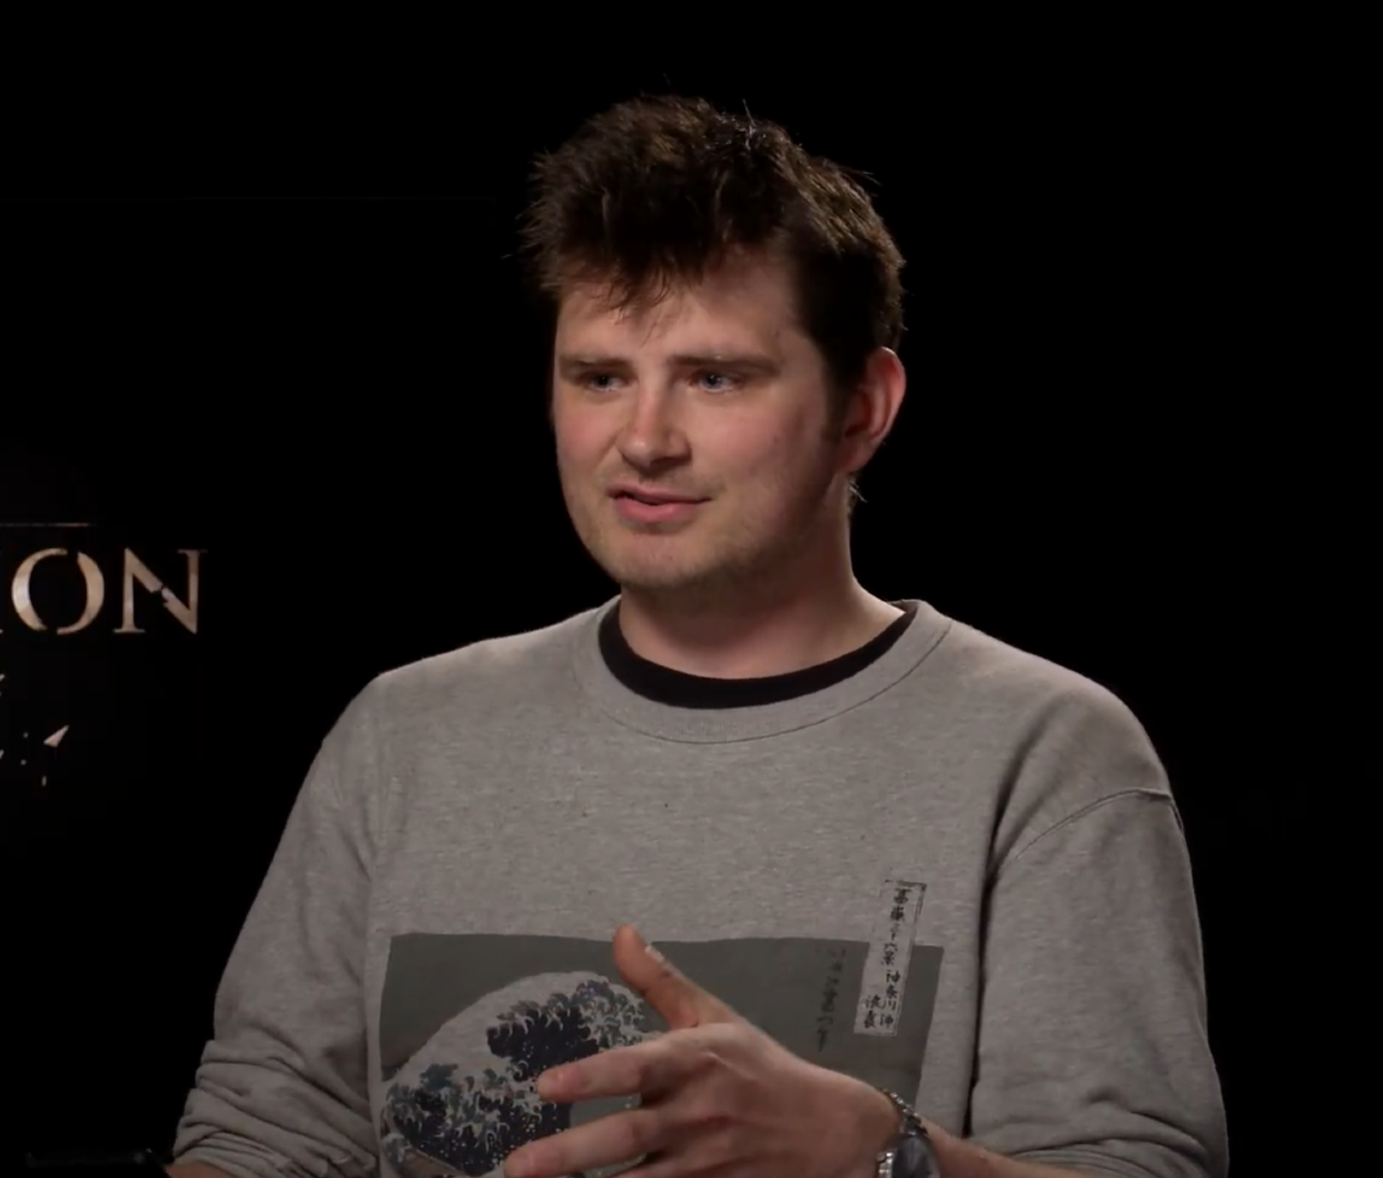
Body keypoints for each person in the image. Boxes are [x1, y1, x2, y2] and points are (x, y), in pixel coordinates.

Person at [168, 96, 1227, 1178]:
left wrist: (881, 1154)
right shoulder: (404, 735)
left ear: (862, 408)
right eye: (601, 378)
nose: (643, 441)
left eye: (714, 377)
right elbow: (263, 1137)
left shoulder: (1044, 753)